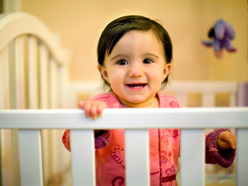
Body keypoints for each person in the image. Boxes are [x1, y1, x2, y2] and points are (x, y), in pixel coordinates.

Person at [62, 15, 236, 186]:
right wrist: (92, 124)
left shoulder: (171, 107)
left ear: (164, 71)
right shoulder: (101, 108)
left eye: (147, 60)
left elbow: (190, 143)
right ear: (105, 73)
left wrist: (215, 143)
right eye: (122, 62)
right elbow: (72, 142)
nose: (135, 71)